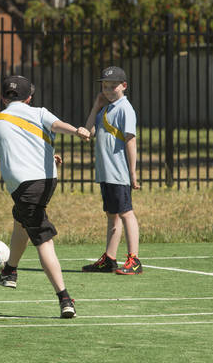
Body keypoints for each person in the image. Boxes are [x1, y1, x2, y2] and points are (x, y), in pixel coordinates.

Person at [0, 75, 90, 319]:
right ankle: (9, 272)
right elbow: (57, 126)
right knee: (20, 219)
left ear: (2, 98)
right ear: (29, 98)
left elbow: (7, 156)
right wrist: (77, 131)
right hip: (47, 181)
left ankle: (64, 298)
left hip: (24, 187)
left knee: (43, 239)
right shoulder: (39, 112)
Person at [81, 66, 142, 275]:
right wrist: (96, 107)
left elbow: (130, 140)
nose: (108, 90)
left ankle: (134, 260)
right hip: (106, 172)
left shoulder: (125, 108)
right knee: (112, 215)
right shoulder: (106, 109)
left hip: (118, 172)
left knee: (126, 213)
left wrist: (132, 173)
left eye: (113, 86)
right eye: (105, 86)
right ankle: (110, 258)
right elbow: (88, 132)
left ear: (124, 86)